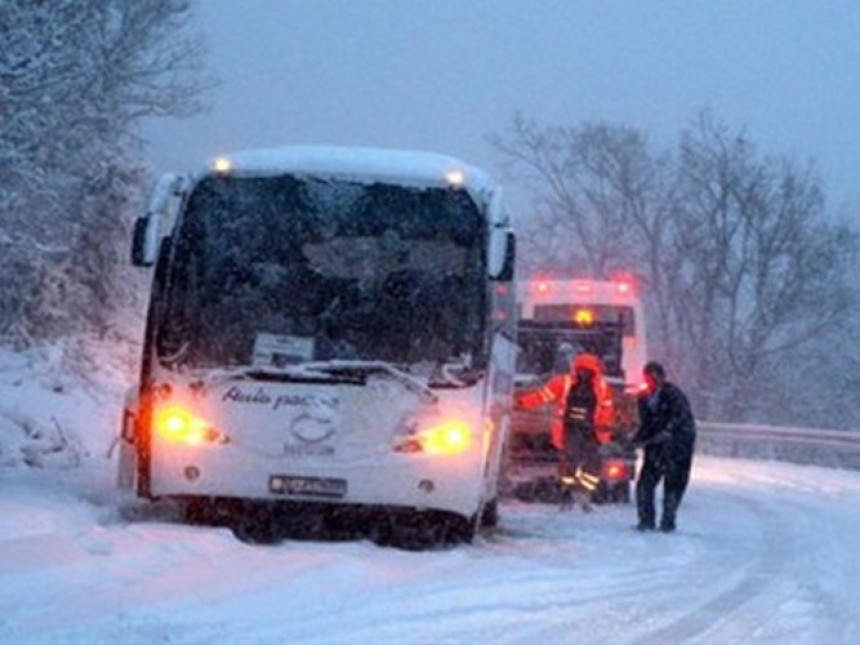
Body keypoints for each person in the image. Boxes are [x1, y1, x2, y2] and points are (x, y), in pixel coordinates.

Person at [516, 352, 614, 510]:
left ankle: (584, 492)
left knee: (593, 462)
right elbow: (543, 396)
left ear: (593, 371)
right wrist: (524, 403)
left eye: (587, 371)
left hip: (592, 431)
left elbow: (606, 412)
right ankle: (567, 492)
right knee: (570, 461)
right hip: (570, 429)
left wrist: (604, 434)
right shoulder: (564, 382)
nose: (583, 373)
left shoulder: (602, 387)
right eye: (581, 370)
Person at [631, 361, 696, 532]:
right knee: (645, 484)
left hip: (677, 449)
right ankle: (646, 521)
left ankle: (668, 521)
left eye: (653, 377)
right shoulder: (644, 398)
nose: (650, 381)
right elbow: (646, 424)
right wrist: (636, 440)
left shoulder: (674, 395)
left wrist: (669, 434)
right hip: (655, 450)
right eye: (647, 378)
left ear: (661, 377)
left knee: (673, 486)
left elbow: (681, 419)